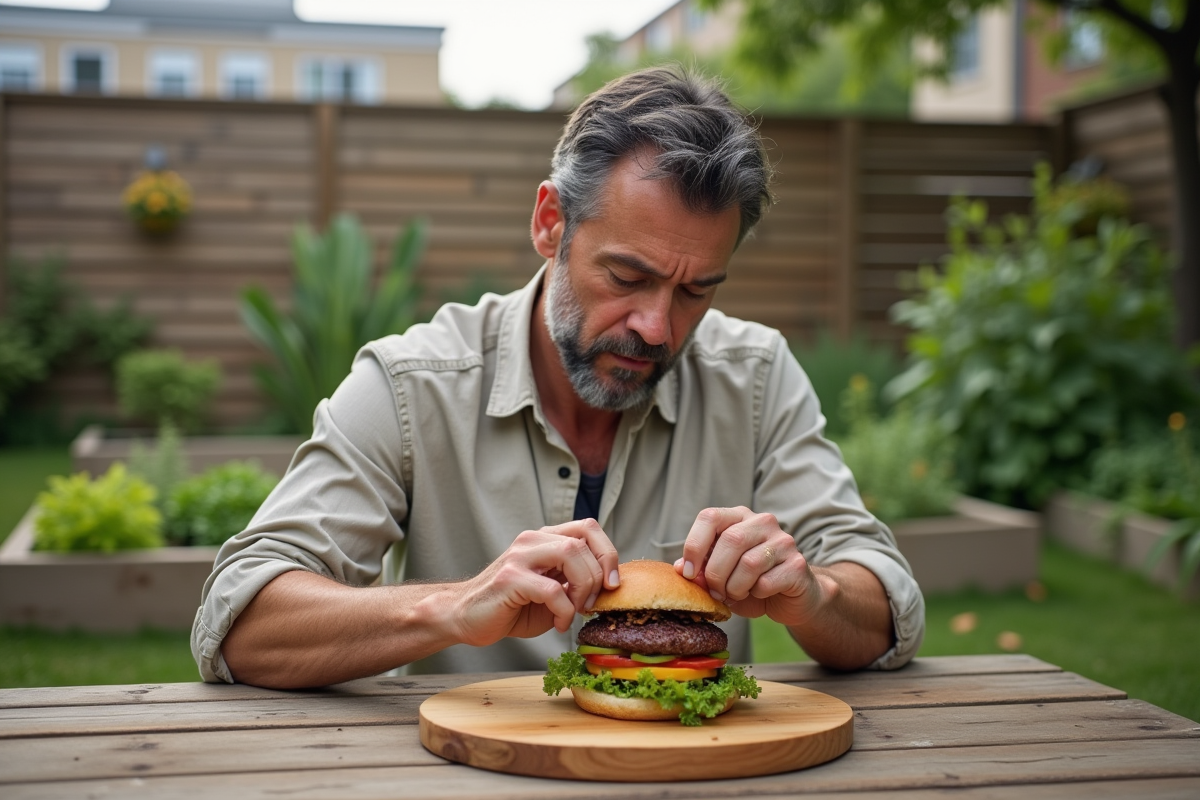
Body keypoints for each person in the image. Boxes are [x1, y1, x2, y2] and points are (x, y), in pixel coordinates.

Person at [192, 67, 924, 688]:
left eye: (697, 290)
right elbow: (241, 619)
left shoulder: (756, 377)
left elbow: (884, 603)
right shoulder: (412, 384)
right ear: (551, 223)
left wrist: (812, 595)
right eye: (627, 275)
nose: (657, 328)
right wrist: (453, 606)